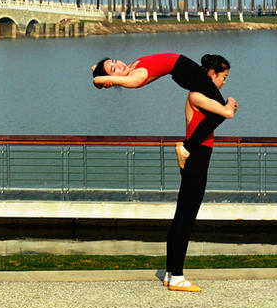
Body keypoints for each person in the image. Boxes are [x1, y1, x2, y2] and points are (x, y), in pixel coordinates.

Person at [91, 53, 238, 167]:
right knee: (222, 110)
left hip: (181, 69)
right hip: (183, 70)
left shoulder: (131, 68)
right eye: (113, 69)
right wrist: (99, 79)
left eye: (116, 62)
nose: (119, 66)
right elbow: (97, 80)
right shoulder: (134, 78)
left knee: (217, 110)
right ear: (111, 78)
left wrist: (97, 70)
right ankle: (187, 148)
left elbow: (97, 74)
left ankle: (189, 147)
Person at [165, 55, 235, 293]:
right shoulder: (197, 96)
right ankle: (177, 276)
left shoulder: (199, 96)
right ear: (212, 74)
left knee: (181, 216)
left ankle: (170, 272)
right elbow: (226, 113)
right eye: (223, 77)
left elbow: (220, 115)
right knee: (186, 218)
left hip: (196, 158)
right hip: (197, 160)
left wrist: (227, 107)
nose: (225, 82)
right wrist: (231, 104)